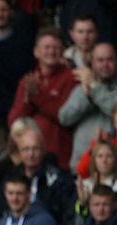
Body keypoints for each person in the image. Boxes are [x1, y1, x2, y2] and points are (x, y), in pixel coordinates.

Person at [59, 42, 117, 170]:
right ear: (92, 62)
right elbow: (64, 118)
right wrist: (87, 97)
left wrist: (94, 88)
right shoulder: (83, 87)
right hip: (82, 164)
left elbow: (116, 110)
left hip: (115, 166)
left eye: (110, 60)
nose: (105, 65)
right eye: (100, 60)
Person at [7, 28, 75, 169]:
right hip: (29, 158)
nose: (51, 51)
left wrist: (37, 97)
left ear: (62, 51)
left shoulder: (71, 78)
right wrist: (28, 100)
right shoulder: (29, 80)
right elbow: (14, 121)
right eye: (47, 47)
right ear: (36, 52)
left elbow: (64, 115)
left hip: (59, 157)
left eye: (56, 47)